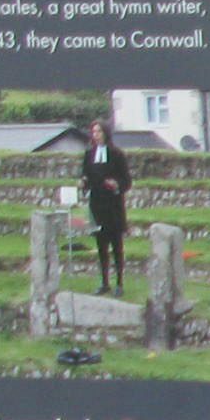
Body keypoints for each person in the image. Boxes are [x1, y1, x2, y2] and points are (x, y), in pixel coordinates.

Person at [80, 113, 132, 294]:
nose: (96, 135)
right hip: (97, 204)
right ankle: (104, 282)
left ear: (105, 133)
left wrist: (117, 185)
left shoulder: (116, 155)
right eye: (93, 132)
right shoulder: (89, 154)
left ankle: (119, 283)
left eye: (99, 131)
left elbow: (126, 180)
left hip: (113, 206)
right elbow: (86, 176)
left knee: (116, 246)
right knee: (101, 246)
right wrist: (83, 183)